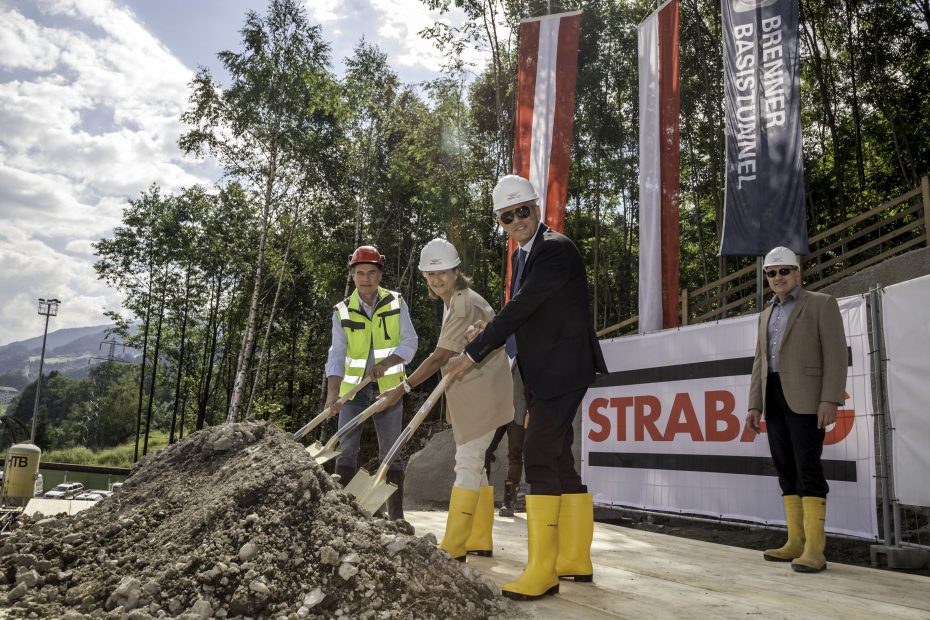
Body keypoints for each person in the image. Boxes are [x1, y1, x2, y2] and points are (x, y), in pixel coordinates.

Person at [444, 174, 607, 600]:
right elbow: (523, 314)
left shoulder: (555, 250)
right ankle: (575, 560)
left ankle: (543, 571)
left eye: (522, 211)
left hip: (564, 369)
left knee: (536, 452)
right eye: (506, 216)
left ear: (537, 208)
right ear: (500, 221)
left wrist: (473, 351)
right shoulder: (523, 256)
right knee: (558, 458)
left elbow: (522, 307)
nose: (516, 220)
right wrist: (489, 328)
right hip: (542, 372)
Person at [380, 238, 513, 560]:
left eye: (443, 272)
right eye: (430, 274)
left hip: (483, 395)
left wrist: (402, 388)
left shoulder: (464, 303)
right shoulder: (454, 302)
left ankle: (454, 545)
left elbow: (440, 357)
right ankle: (479, 538)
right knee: (476, 463)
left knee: (467, 461)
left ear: (456, 271)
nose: (437, 279)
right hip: (473, 396)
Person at [746, 246, 847, 573]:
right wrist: (754, 405)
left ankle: (816, 550)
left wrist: (830, 398)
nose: (778, 278)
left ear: (797, 272)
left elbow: (835, 355)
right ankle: (796, 542)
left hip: (807, 399)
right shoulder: (765, 313)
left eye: (784, 271)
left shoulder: (821, 304)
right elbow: (760, 362)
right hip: (773, 397)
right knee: (785, 468)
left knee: (808, 468)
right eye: (771, 273)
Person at [324, 245, 418, 520]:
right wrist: (333, 395)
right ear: (352, 275)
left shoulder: (396, 302)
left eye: (372, 272)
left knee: (392, 452)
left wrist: (387, 363)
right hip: (352, 394)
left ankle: (396, 518)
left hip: (389, 390)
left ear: (380, 275)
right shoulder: (342, 311)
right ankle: (343, 517)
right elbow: (336, 354)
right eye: (360, 273)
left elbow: (410, 342)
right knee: (346, 451)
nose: (366, 278)